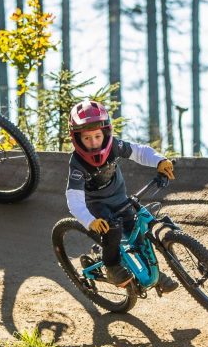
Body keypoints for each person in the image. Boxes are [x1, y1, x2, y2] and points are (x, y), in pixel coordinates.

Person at [64, 100, 180, 295]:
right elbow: (73, 197)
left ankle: (155, 274)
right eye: (87, 138)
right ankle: (111, 267)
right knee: (113, 230)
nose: (93, 142)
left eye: (98, 136)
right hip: (96, 205)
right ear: (77, 139)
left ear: (106, 133)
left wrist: (159, 160)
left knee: (137, 231)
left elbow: (139, 152)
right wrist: (89, 220)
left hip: (119, 197)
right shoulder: (77, 164)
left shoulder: (114, 146)